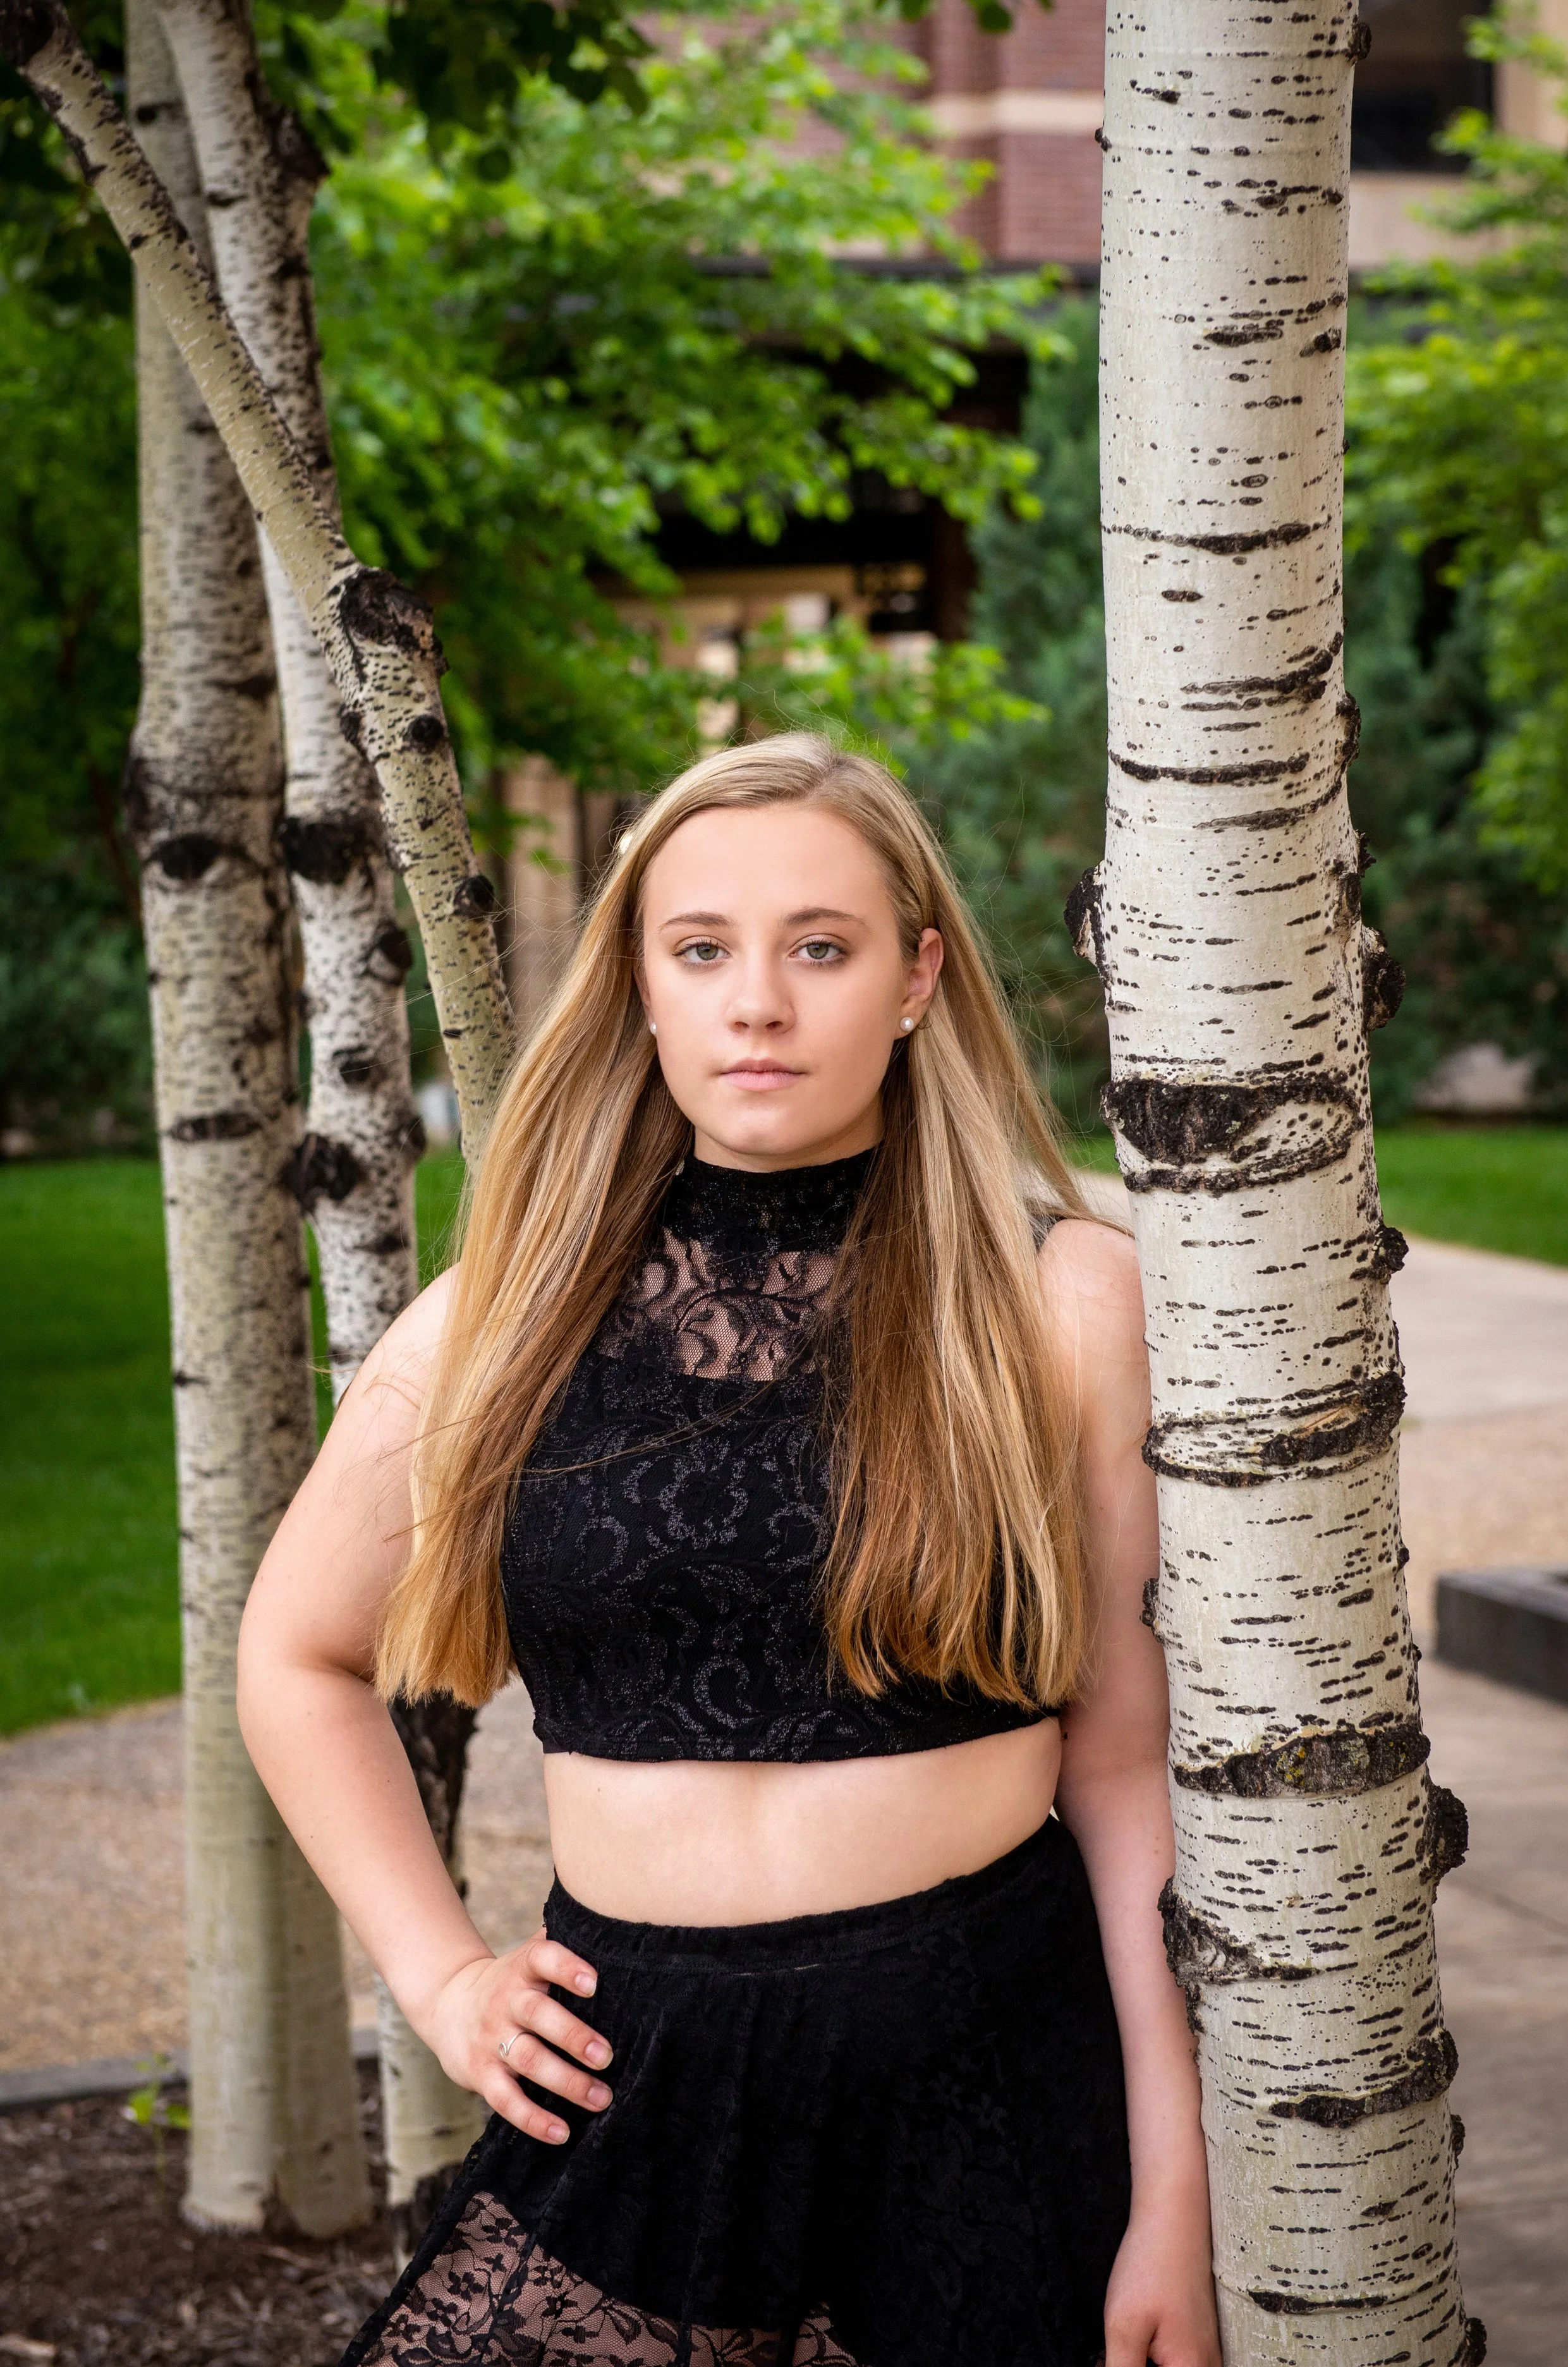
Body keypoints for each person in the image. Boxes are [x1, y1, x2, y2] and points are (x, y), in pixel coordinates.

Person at [238, 733, 1220, 2367]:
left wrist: (1173, 2198)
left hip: (986, 2067)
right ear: (641, 985)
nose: (756, 1003)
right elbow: (295, 1656)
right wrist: (442, 1980)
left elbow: (1125, 1773)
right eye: (701, 951)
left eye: (818, 948)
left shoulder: (1057, 1303)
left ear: (916, 979)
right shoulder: (505, 1318)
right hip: (638, 2071)